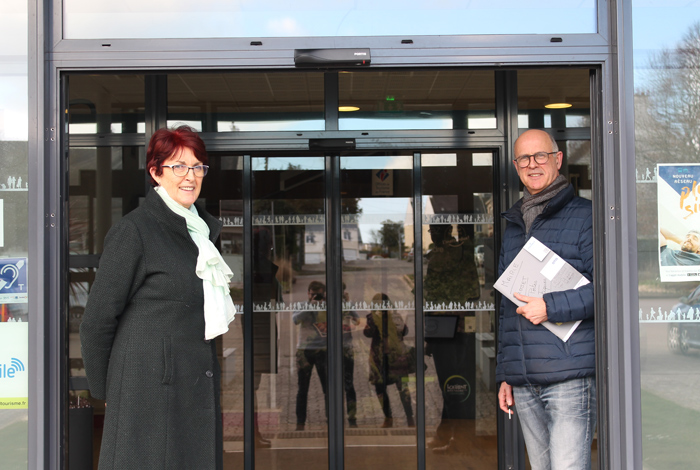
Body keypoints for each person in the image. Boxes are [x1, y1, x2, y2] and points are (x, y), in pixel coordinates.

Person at [80, 126, 236, 470]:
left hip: (188, 385)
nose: (190, 176)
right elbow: (96, 322)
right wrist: (110, 393)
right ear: (155, 172)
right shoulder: (134, 231)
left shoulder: (200, 233)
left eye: (198, 167)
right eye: (178, 166)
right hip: (146, 392)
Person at [496, 129, 596, 470]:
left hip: (569, 375)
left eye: (540, 156)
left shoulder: (586, 217)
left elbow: (608, 292)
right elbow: (507, 310)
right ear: (515, 165)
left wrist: (550, 307)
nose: (532, 164)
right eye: (524, 158)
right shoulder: (513, 225)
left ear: (557, 159)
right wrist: (506, 374)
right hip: (524, 381)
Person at [364, 292, 415, 428]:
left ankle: (391, 418)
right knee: (399, 388)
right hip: (394, 358)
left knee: (385, 389)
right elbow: (405, 331)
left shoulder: (374, 318)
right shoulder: (393, 317)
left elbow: (367, 333)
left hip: (384, 359)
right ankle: (408, 419)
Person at [293, 281, 329, 431]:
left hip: (323, 350)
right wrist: (311, 305)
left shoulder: (327, 305)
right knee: (302, 389)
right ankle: (300, 423)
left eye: (319, 294)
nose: (315, 296)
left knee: (328, 388)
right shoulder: (302, 305)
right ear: (308, 293)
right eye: (313, 294)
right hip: (305, 351)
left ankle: (331, 418)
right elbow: (295, 320)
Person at [341, 282, 360, 428]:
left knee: (341, 382)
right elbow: (358, 321)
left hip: (338, 348)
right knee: (348, 382)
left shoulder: (346, 304)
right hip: (346, 347)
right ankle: (351, 414)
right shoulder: (348, 304)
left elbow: (357, 320)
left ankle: (344, 414)